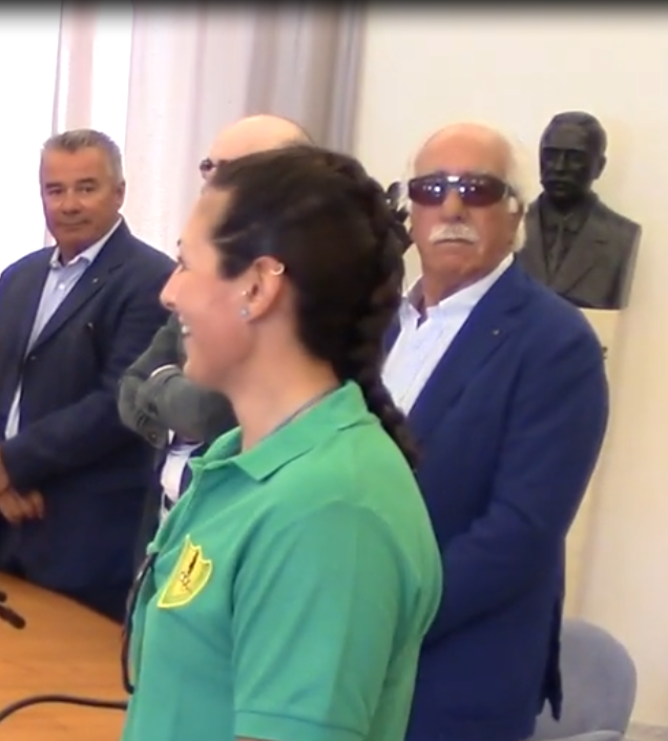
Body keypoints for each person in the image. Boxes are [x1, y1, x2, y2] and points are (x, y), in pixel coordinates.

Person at [119, 145, 443, 741]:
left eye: (186, 264)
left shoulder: (331, 509)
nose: (169, 292)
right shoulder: (237, 462)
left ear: (257, 287)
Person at [385, 122, 610, 741]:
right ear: (410, 212)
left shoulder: (556, 342)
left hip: (456, 676)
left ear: (515, 213)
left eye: (477, 189)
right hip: (346, 664)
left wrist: (384, 614)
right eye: (432, 189)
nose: (452, 208)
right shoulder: (376, 324)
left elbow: (519, 531)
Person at [0, 129, 174, 622]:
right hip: (1, 524)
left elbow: (118, 402)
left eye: (86, 188)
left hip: (85, 541)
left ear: (119, 193)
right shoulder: (18, 276)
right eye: (55, 190)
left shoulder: (151, 279)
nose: (69, 204)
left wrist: (11, 464)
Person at [117, 114, 313, 565]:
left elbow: (208, 410)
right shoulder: (205, 273)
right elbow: (130, 387)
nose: (170, 294)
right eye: (210, 168)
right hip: (164, 531)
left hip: (237, 541)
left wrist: (161, 387)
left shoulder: (301, 293)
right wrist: (171, 395)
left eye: (233, 172)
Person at [518, 111, 640, 310]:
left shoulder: (621, 236)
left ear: (599, 166)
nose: (559, 167)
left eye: (575, 158)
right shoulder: (508, 228)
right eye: (550, 155)